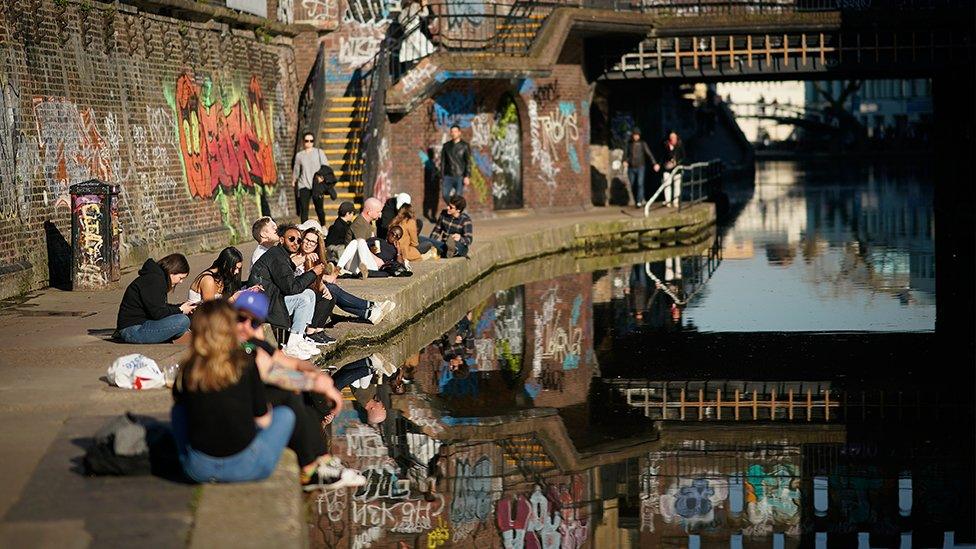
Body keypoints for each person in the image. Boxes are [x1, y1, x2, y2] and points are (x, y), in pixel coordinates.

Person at [232, 292, 364, 490]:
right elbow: (269, 373)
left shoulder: (254, 344)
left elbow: (291, 362)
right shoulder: (233, 346)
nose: (246, 326)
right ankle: (310, 469)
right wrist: (314, 384)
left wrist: (319, 376)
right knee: (290, 395)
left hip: (252, 408)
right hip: (238, 417)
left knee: (304, 404)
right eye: (241, 319)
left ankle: (324, 462)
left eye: (255, 323)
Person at [170, 300, 294, 483]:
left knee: (178, 411)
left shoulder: (189, 367)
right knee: (285, 415)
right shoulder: (245, 362)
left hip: (198, 470)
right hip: (245, 468)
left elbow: (181, 406)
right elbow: (263, 420)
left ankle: (186, 457)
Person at [248, 224, 326, 360]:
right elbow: (291, 288)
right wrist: (313, 272)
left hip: (273, 299)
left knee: (310, 294)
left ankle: (299, 338)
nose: (296, 243)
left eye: (299, 240)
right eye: (292, 239)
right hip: (266, 305)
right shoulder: (277, 257)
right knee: (303, 299)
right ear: (282, 240)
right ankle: (291, 345)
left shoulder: (281, 255)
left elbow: (288, 283)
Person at [115, 254, 195, 344]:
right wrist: (180, 310)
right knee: (182, 321)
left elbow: (159, 306)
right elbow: (158, 313)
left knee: (184, 318)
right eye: (180, 278)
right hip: (133, 330)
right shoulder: (154, 281)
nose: (181, 282)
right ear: (172, 272)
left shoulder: (157, 278)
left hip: (140, 324)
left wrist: (181, 306)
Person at [291, 226, 337, 345]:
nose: (308, 244)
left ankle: (319, 330)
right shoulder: (294, 255)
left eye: (313, 242)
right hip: (296, 292)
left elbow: (317, 280)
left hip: (307, 290)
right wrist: (304, 259)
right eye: (306, 240)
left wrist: (323, 287)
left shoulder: (316, 259)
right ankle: (310, 332)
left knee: (330, 296)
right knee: (319, 297)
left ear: (317, 245)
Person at [337, 197, 384, 278]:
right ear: (369, 212)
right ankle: (362, 268)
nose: (380, 214)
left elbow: (364, 248)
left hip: (361, 265)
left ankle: (338, 268)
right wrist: (378, 260)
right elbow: (361, 246)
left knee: (358, 241)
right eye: (378, 212)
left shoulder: (368, 223)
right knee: (359, 241)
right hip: (356, 264)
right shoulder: (359, 224)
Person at [293, 132, 330, 225]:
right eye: (306, 141)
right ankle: (304, 229)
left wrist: (323, 177)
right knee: (304, 210)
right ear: (303, 142)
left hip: (317, 185)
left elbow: (326, 166)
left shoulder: (319, 152)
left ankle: (323, 225)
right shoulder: (299, 155)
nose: (309, 143)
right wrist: (294, 179)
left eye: (311, 141)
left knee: (319, 209)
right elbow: (296, 169)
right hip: (304, 184)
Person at [624, 128, 659, 208]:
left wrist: (654, 163)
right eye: (634, 135)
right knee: (632, 184)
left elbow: (649, 154)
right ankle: (639, 199)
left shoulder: (643, 144)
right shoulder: (629, 144)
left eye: (637, 135)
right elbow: (626, 154)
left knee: (640, 183)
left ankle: (639, 201)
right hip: (631, 167)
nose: (636, 137)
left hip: (640, 166)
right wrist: (625, 160)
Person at [440, 125, 470, 204]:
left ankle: (456, 212)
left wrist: (467, 176)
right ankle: (453, 208)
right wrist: (442, 176)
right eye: (452, 131)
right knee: (445, 194)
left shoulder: (465, 146)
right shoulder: (446, 146)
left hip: (460, 175)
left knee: (458, 197)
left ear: (459, 133)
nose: (453, 133)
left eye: (455, 131)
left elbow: (468, 162)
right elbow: (443, 162)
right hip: (448, 175)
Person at [662, 131, 686, 207]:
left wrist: (677, 163)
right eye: (671, 138)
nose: (672, 139)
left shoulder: (680, 145)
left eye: (674, 137)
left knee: (677, 185)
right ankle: (668, 201)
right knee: (667, 184)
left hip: (677, 169)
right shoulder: (666, 145)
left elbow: (683, 157)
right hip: (668, 168)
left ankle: (676, 201)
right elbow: (662, 157)